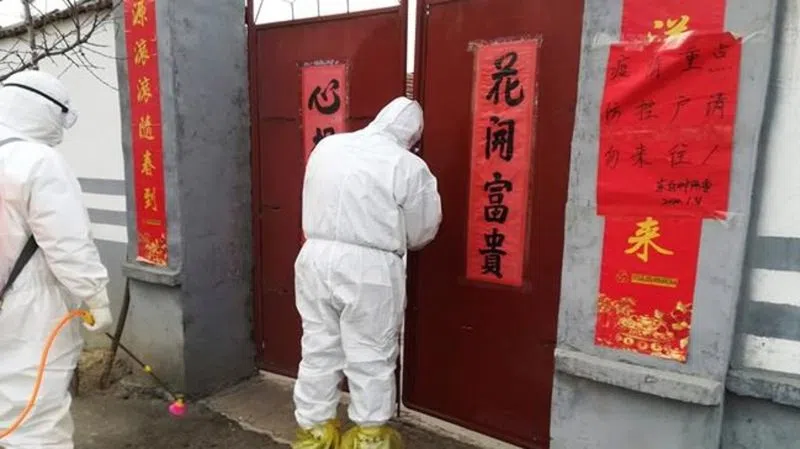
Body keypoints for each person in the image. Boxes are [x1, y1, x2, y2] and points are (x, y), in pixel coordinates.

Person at [292, 96, 442, 449]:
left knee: (318, 346)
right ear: (412, 136)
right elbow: (422, 230)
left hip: (315, 256)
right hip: (370, 267)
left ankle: (314, 432)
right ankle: (369, 436)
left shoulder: (328, 147)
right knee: (371, 353)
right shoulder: (408, 165)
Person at [0, 70, 113, 449]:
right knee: (34, 414)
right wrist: (95, 295)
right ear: (46, 111)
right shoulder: (37, 161)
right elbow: (67, 242)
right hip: (26, 306)